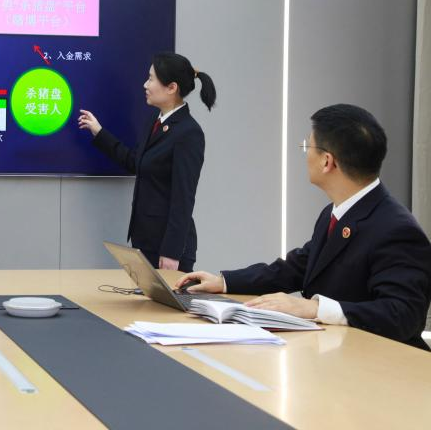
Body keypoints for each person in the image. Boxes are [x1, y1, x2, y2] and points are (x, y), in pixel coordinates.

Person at [175, 104, 431, 350]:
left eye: (308, 146)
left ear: (327, 161)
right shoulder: (335, 212)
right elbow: (297, 267)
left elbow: (403, 314)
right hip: (332, 353)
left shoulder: (396, 229)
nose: (305, 153)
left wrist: (315, 308)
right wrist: (224, 282)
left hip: (378, 366)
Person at [79, 52, 216, 272]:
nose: (145, 84)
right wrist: (99, 132)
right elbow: (136, 163)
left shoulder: (189, 133)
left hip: (167, 250)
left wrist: (171, 252)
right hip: (145, 240)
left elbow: (183, 199)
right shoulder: (154, 121)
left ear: (171, 88)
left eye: (151, 79)